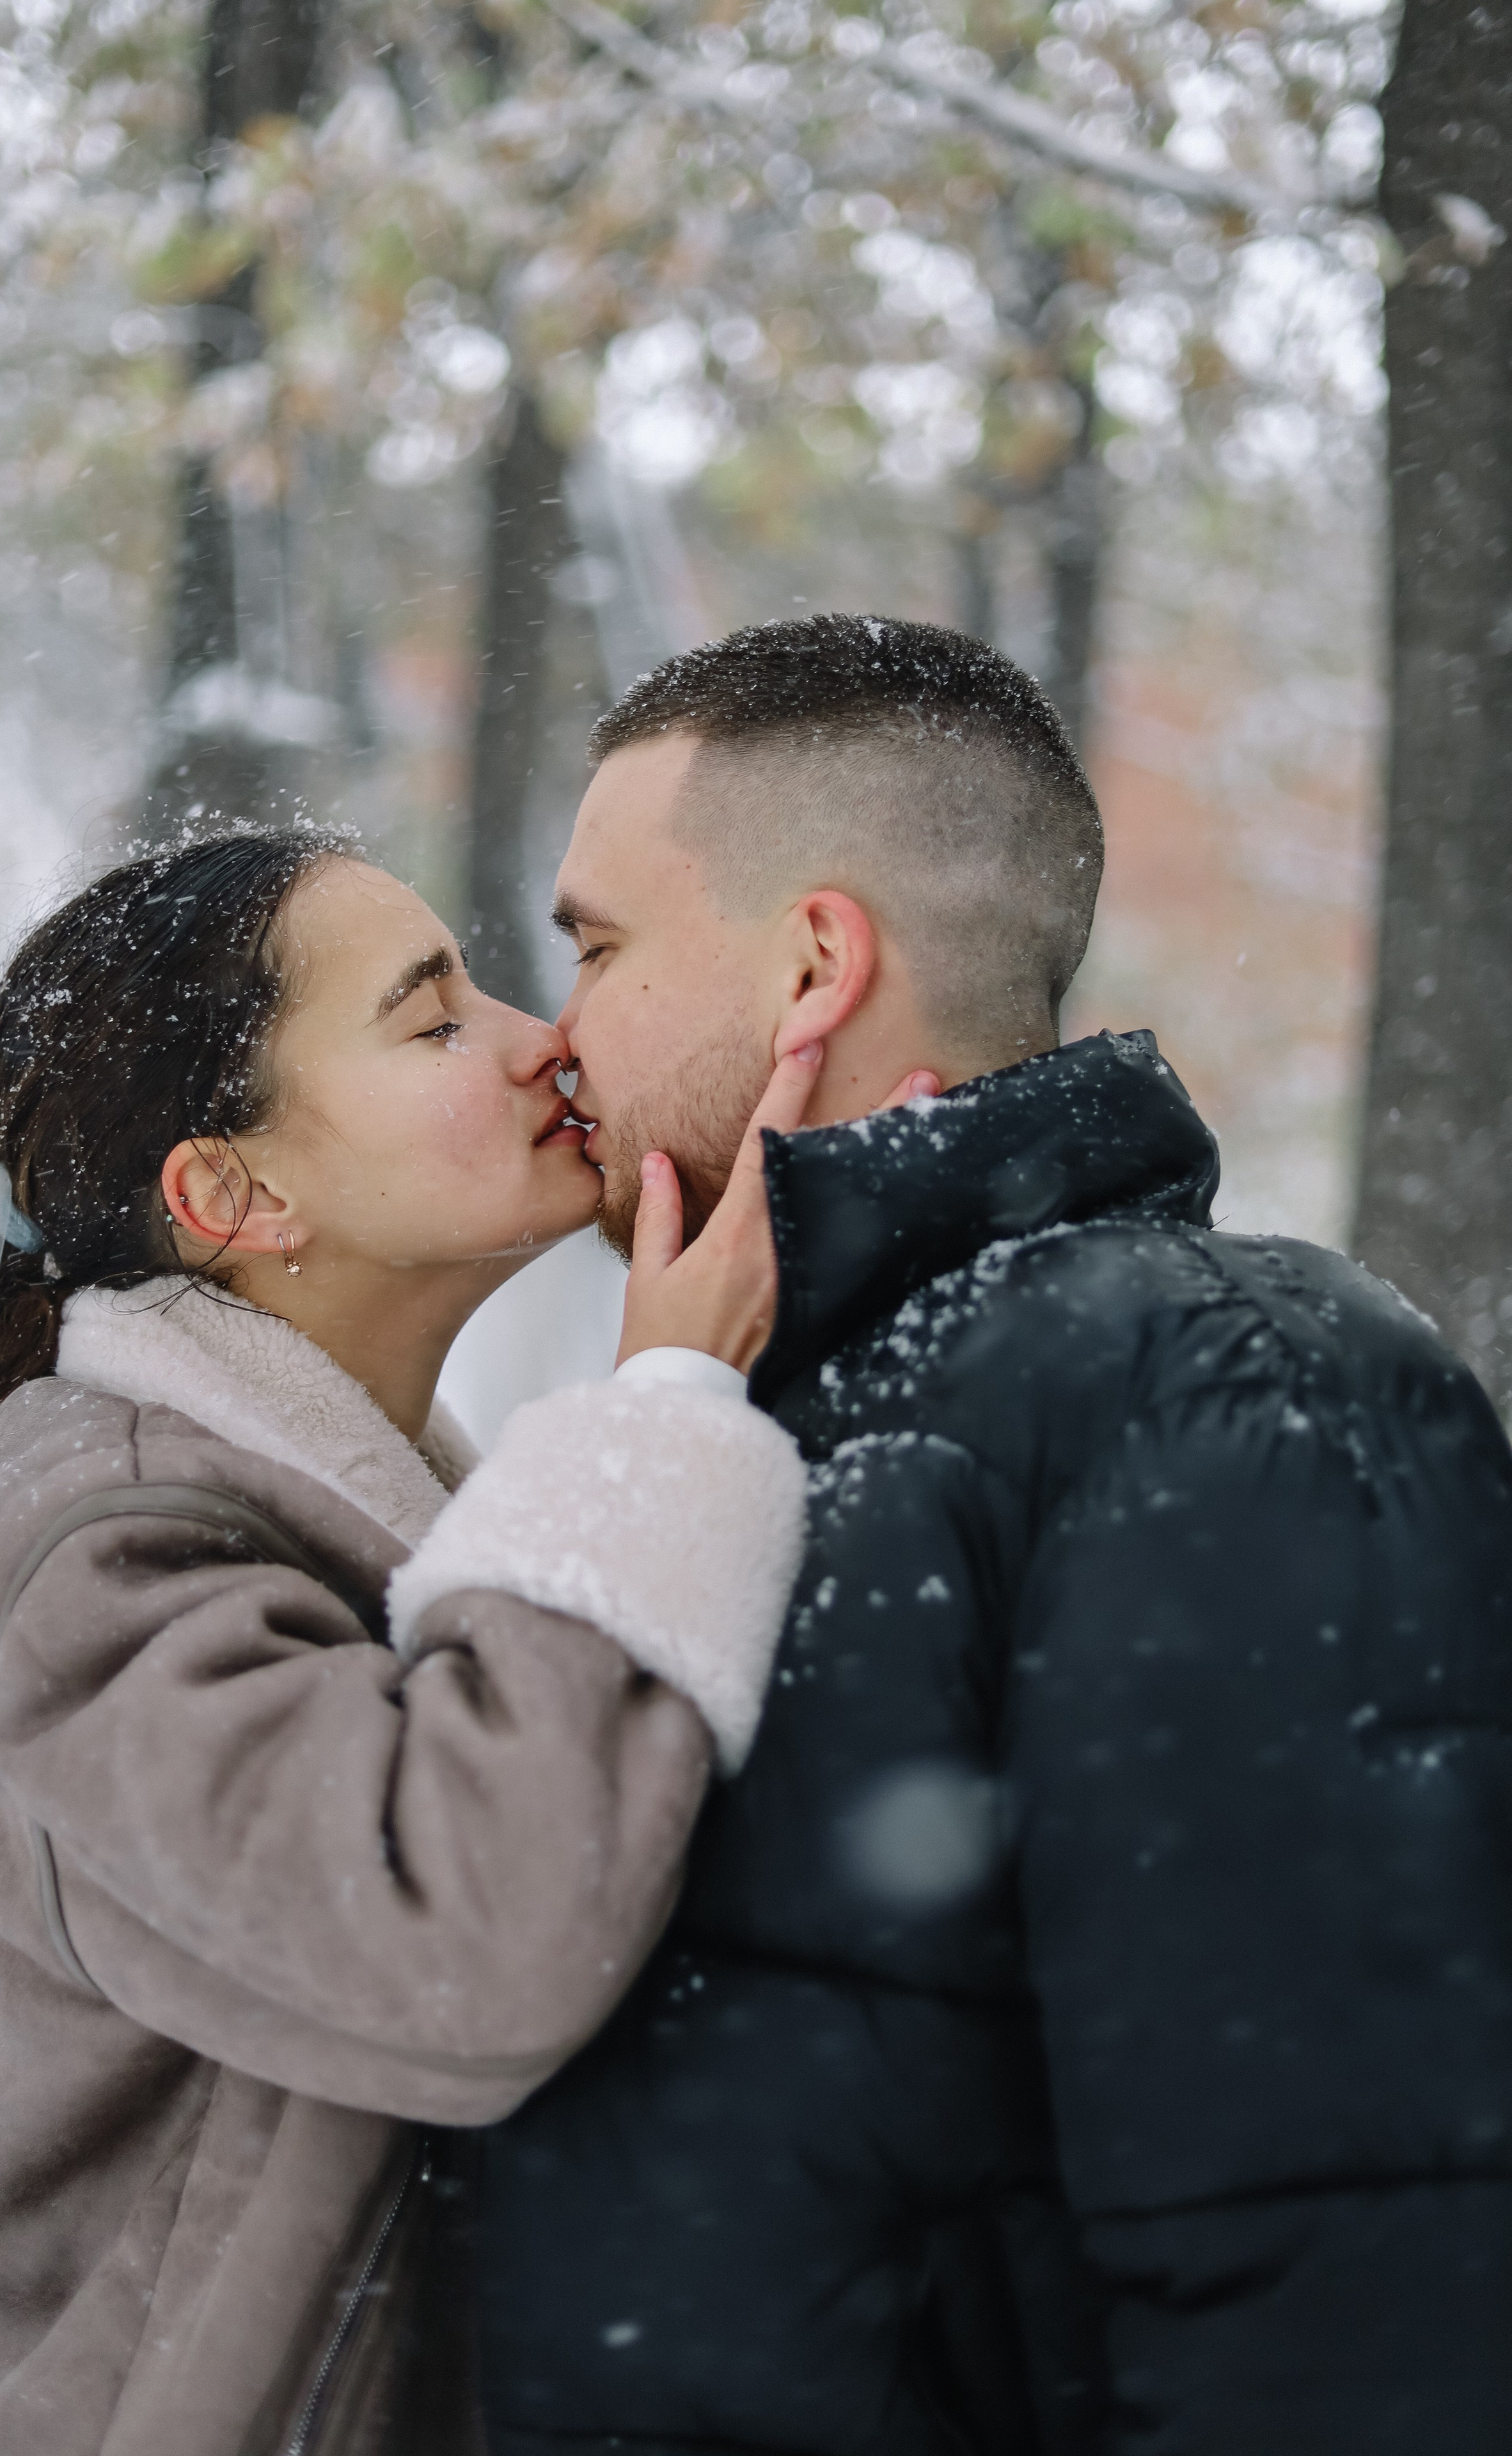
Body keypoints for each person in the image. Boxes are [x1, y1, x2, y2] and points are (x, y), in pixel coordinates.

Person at [470, 616, 1512, 2454]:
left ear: (814, 961)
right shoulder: (728, 1425)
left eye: (601, 948)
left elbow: (1356, 2279)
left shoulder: (1231, 1395)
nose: (556, 1038)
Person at [0, 824, 875, 2456]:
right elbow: (459, 1942)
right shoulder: (93, 1544)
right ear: (232, 1191)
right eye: (433, 1020)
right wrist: (668, 1410)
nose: (539, 1036)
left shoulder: (307, 1494)